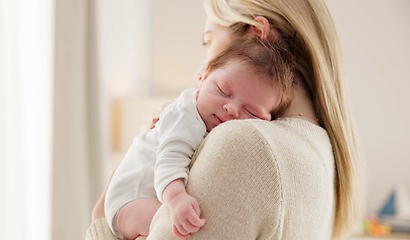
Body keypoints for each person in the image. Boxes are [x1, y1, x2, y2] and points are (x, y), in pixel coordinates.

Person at [87, 0, 365, 239]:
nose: (202, 67)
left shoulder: (245, 143)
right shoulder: (318, 148)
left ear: (257, 34)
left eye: (208, 40)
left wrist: (100, 220)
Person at [104, 35, 296, 240]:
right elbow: (169, 161)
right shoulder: (184, 115)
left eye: (251, 112)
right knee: (174, 226)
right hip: (130, 199)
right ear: (204, 75)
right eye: (223, 90)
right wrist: (177, 199)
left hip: (145, 200)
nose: (230, 109)